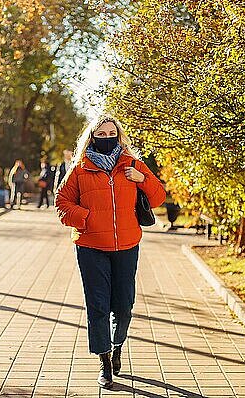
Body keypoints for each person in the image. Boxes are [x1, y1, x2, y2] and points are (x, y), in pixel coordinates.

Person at [55, 115, 166, 389]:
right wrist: (85, 218)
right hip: (91, 247)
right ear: (91, 138)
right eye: (100, 134)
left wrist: (141, 179)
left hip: (127, 246)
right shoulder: (80, 169)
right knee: (98, 306)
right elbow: (61, 202)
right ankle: (104, 363)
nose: (106, 137)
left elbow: (159, 196)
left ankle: (117, 347)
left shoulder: (132, 165)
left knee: (124, 305)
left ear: (119, 135)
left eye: (111, 133)